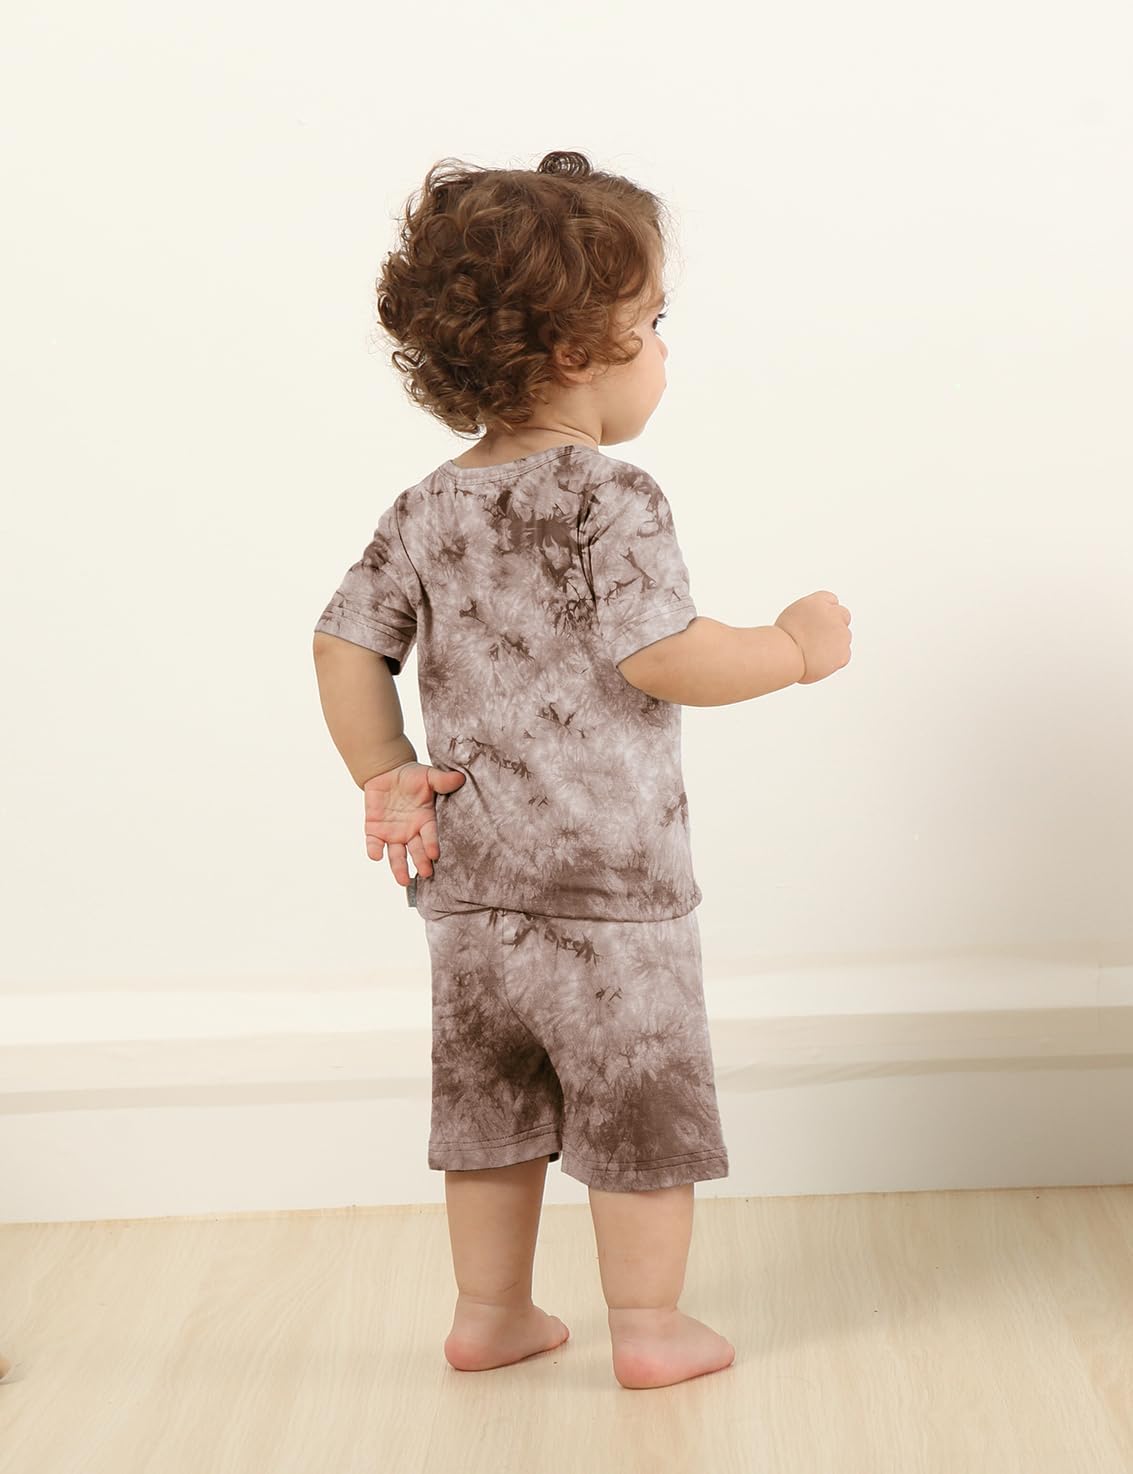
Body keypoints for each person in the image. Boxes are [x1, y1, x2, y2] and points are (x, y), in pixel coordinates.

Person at [312, 150, 852, 1391]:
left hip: (471, 883)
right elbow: (662, 654)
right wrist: (790, 648)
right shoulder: (610, 497)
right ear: (574, 353)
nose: (663, 348)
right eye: (651, 322)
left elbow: (344, 642)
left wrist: (385, 769)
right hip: (612, 889)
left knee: (488, 1108)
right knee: (637, 1103)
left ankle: (489, 1314)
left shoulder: (423, 508)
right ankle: (650, 1329)